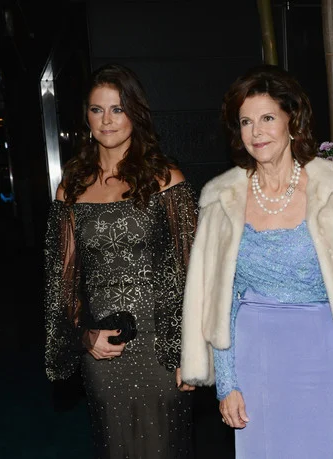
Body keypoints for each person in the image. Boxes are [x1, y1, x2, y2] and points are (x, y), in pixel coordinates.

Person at [180, 64, 333, 458]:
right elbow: (219, 300)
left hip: (323, 356)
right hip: (254, 361)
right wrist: (227, 381)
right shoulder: (221, 199)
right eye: (246, 122)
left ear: (293, 119)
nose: (256, 132)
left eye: (268, 117)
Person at [44, 63, 198, 459]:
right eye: (97, 110)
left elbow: (194, 273)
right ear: (86, 117)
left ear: (135, 113)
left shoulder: (167, 179)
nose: (107, 120)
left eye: (117, 109)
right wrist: (84, 337)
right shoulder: (71, 187)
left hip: (163, 351)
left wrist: (193, 353)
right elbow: (62, 284)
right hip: (104, 353)